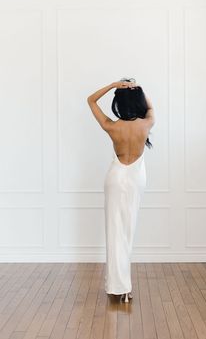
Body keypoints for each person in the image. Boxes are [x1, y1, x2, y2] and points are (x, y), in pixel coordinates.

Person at [87, 78, 155, 303]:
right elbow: (151, 107)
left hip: (116, 179)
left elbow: (91, 100)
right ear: (136, 100)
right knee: (128, 231)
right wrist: (138, 88)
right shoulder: (146, 124)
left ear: (119, 101)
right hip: (136, 179)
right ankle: (123, 288)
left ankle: (117, 287)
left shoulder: (112, 126)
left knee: (114, 232)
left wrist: (113, 85)